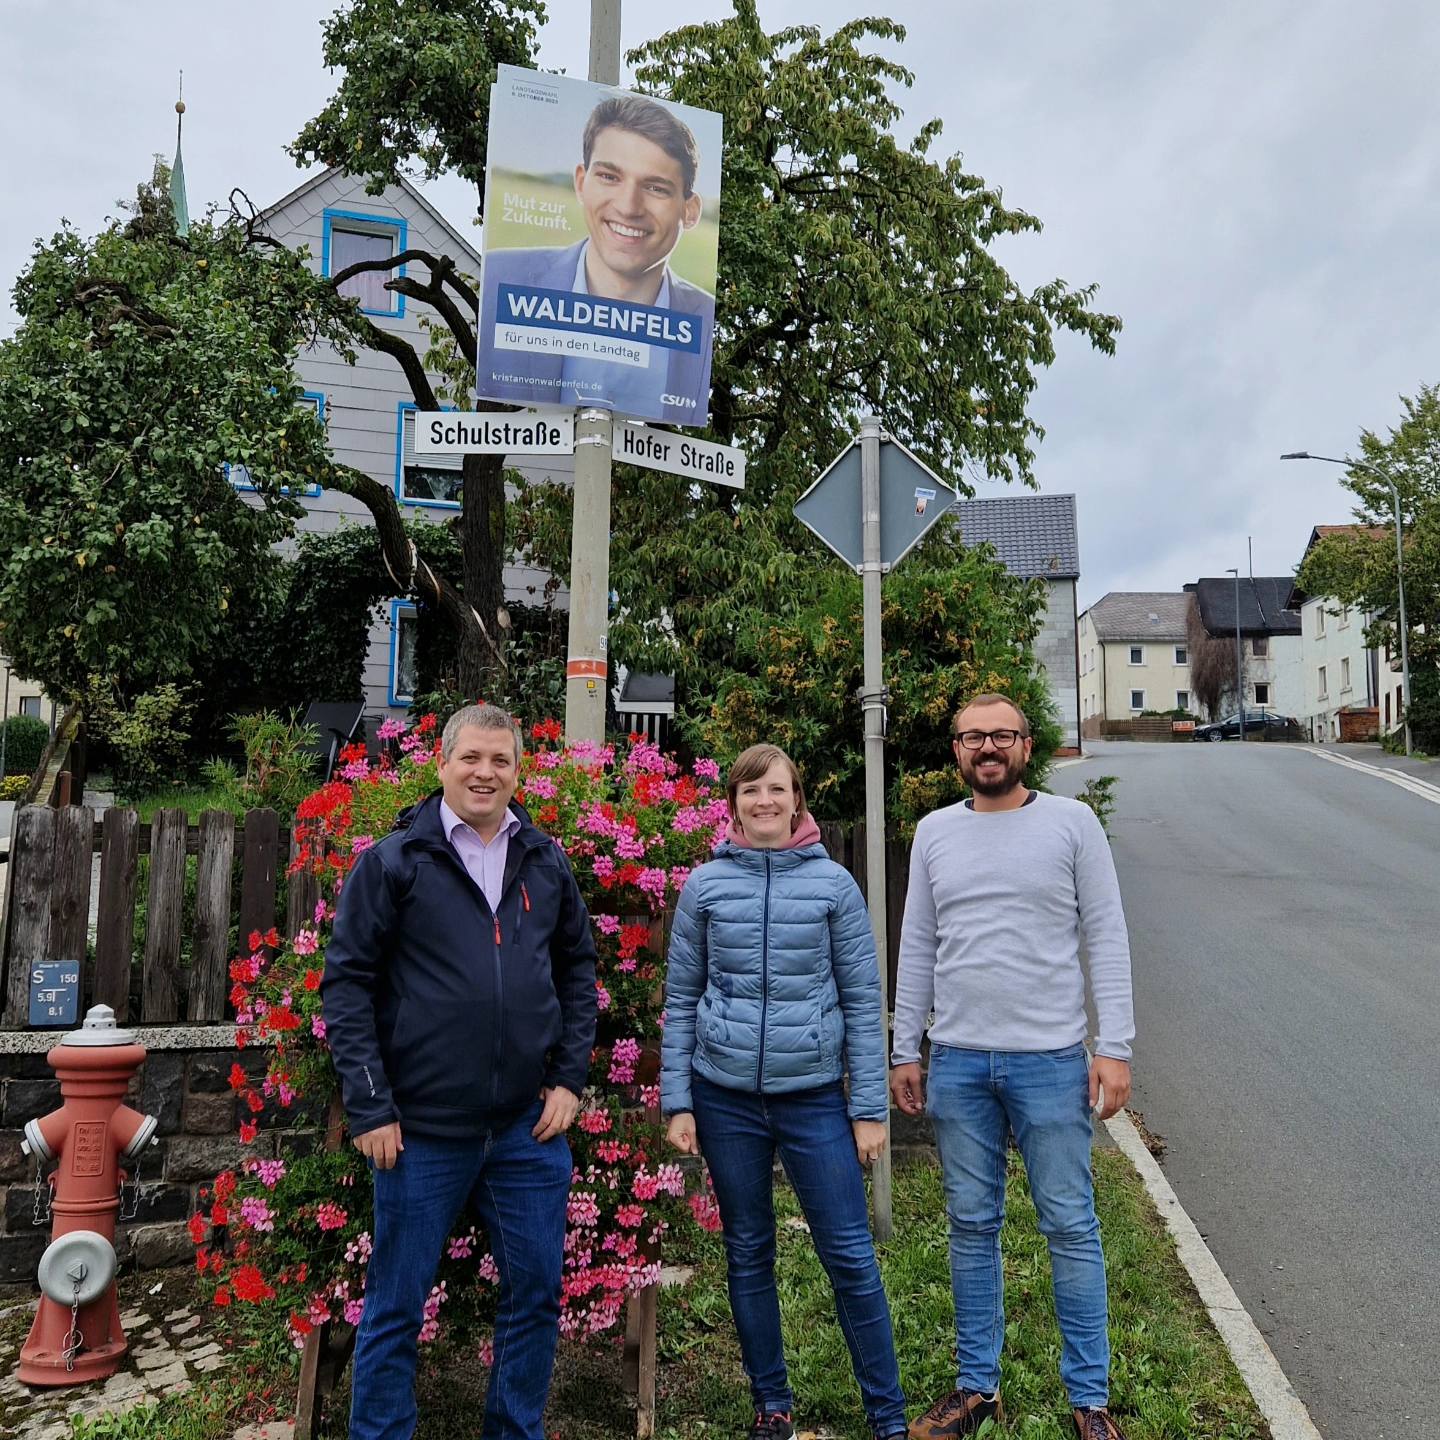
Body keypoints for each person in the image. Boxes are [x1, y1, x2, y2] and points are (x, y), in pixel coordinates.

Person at [321, 703, 598, 1440]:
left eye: (500, 760)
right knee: (395, 1306)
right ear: (442, 764)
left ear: (517, 770)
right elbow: (347, 984)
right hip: (420, 1135)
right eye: (471, 758)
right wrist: (371, 1106)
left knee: (536, 1294)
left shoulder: (545, 858)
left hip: (524, 1132)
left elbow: (577, 969)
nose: (485, 773)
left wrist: (570, 1079)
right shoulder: (394, 862)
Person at [890, 693, 1135, 1440]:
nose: (986, 747)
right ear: (957, 750)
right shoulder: (934, 832)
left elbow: (1107, 935)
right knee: (970, 1226)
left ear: (1028, 746)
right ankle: (976, 1390)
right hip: (959, 1061)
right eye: (972, 736)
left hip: (1052, 1062)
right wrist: (906, 1045)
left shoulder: (1071, 824)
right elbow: (919, 944)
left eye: (1001, 735)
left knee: (1070, 1223)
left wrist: (1114, 1047)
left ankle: (1089, 1401)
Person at [662, 744, 908, 1440]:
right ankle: (772, 1405)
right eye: (750, 791)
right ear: (733, 802)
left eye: (777, 789)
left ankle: (887, 1417)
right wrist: (677, 1099)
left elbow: (863, 1002)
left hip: (813, 1101)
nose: (764, 801)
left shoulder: (833, 887)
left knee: (850, 1257)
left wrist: (866, 1110)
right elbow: (681, 999)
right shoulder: (705, 888)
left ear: (797, 799)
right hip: (725, 1099)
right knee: (748, 1250)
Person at [478, 93, 716, 424]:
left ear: (689, 211)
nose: (629, 206)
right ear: (581, 183)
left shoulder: (704, 324)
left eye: (656, 188)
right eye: (609, 177)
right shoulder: (499, 280)